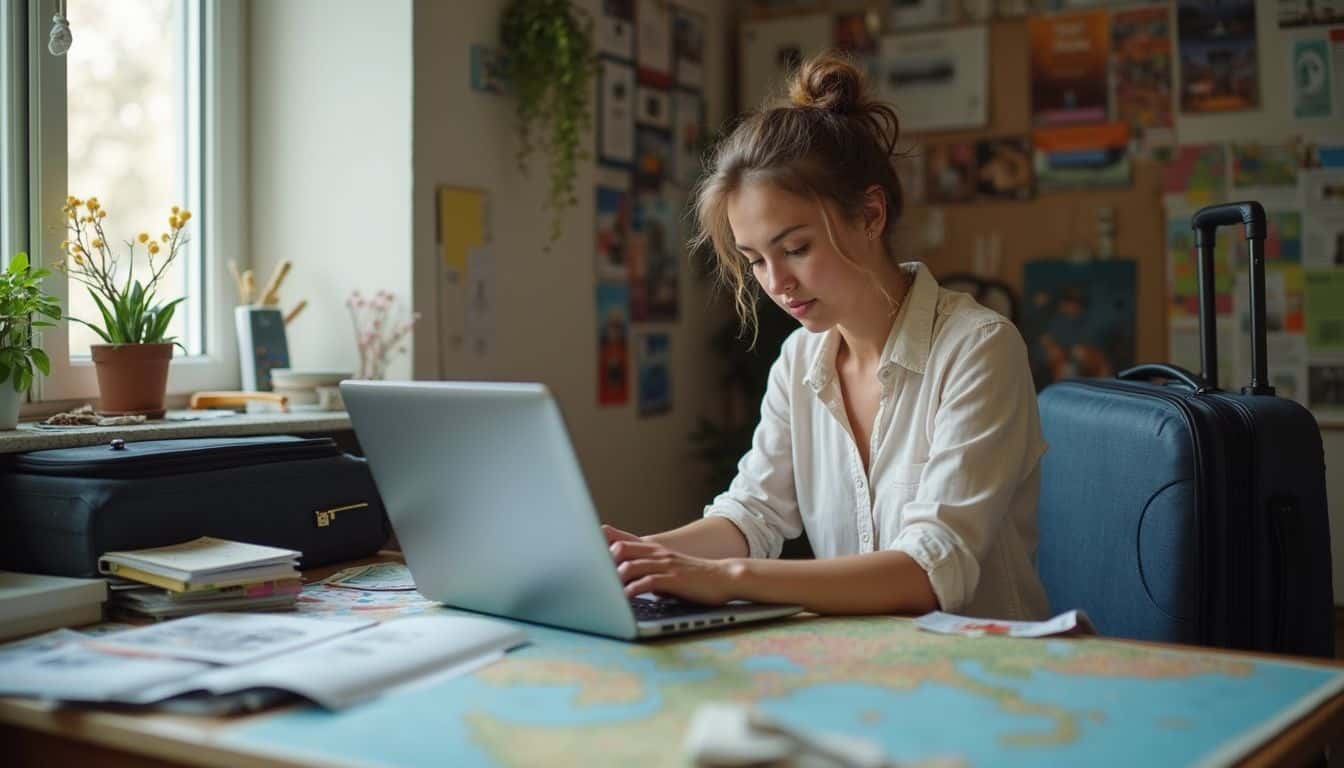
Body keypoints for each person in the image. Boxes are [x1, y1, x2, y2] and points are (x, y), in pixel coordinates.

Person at [603, 53, 1051, 620]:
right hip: (862, 669)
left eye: (795, 249)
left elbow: (930, 571)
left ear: (870, 215)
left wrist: (727, 578)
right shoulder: (800, 359)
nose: (777, 283)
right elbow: (753, 513)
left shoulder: (979, 348)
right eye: (755, 261)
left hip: (985, 675)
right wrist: (631, 558)